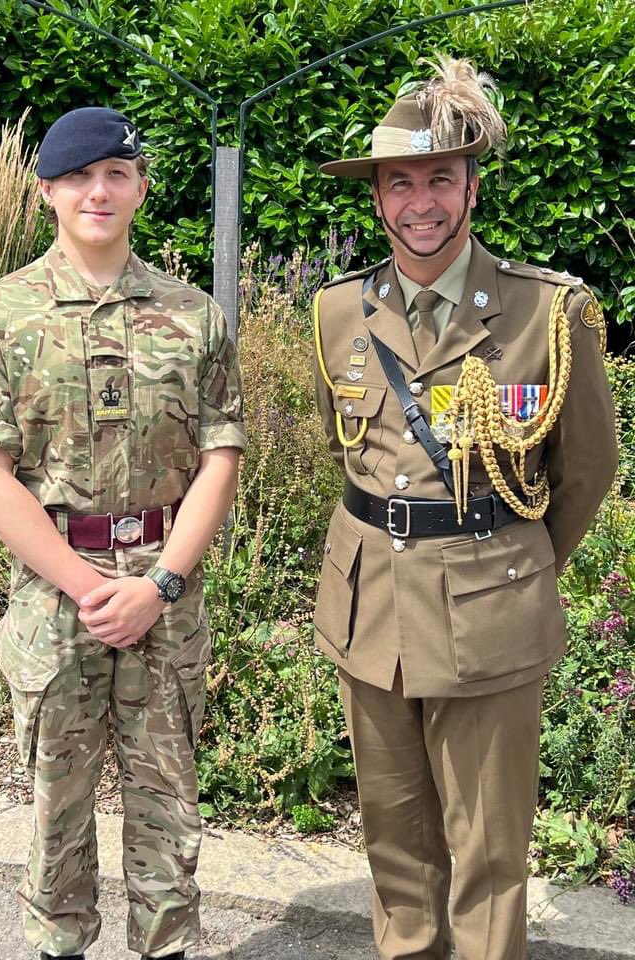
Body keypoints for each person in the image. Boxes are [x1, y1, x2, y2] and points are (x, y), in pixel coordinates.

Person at [312, 56, 618, 960]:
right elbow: (356, 460)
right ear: (376, 197)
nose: (420, 203)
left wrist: (512, 567)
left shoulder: (545, 313)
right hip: (369, 608)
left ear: (470, 189)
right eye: (399, 183)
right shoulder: (337, 309)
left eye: (439, 180)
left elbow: (588, 471)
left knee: (488, 855)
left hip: (489, 612)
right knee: (395, 845)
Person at [0, 106, 246, 960]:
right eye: (78, 176)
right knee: (55, 812)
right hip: (55, 603)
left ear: (141, 187)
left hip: (164, 593)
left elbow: (219, 458)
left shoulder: (195, 317)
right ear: (46, 191)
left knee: (169, 810)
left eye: (116, 173)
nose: (98, 191)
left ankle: (166, 947)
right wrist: (89, 587)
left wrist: (160, 587)